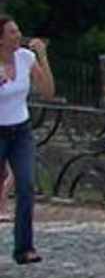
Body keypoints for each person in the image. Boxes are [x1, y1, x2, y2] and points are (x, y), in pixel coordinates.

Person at [0, 16, 56, 265]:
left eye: (18, 31)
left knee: (26, 184)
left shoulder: (25, 58)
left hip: (20, 130)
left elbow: (48, 92)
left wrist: (43, 57)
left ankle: (24, 247)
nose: (18, 35)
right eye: (12, 32)